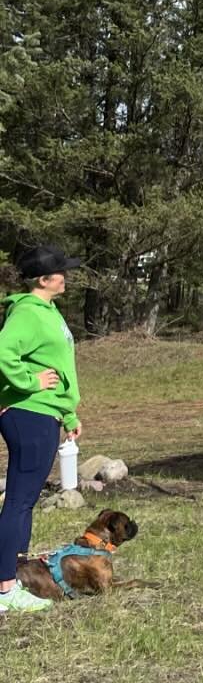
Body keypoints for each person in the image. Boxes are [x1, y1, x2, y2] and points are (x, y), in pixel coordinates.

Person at [0, 245, 84, 615]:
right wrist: (29, 381)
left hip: (45, 414)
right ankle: (4, 590)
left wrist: (68, 414)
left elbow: (58, 365)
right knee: (18, 501)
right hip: (28, 413)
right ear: (43, 279)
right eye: (61, 271)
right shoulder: (27, 313)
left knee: (24, 501)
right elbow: (3, 352)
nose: (66, 275)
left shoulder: (48, 311)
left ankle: (13, 576)